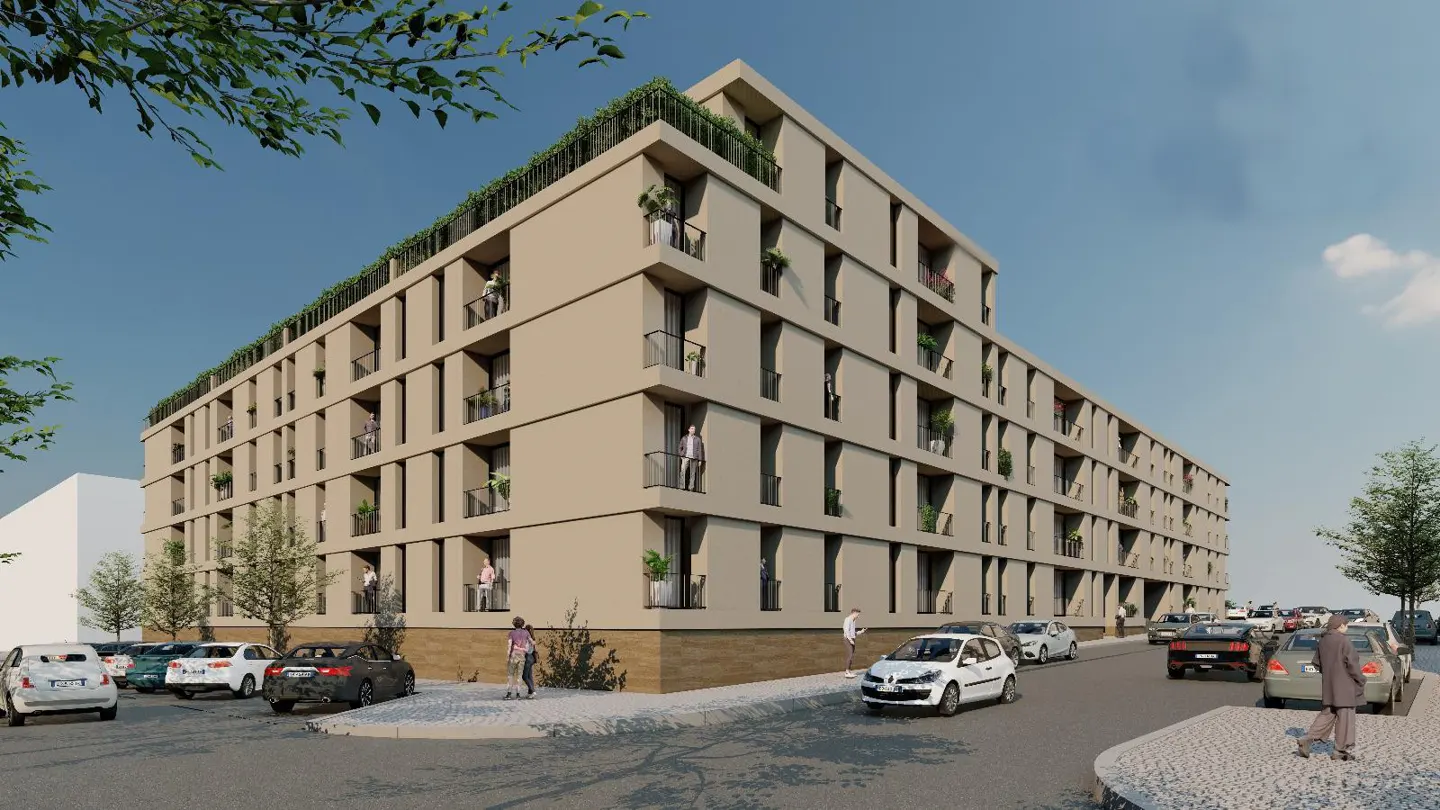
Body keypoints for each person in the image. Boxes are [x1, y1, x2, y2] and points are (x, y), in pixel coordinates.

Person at [1297, 614, 1365, 760]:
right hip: (1345, 686)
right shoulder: (1344, 640)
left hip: (1329, 685)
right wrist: (1361, 679)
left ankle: (1307, 739)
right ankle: (1340, 751)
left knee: (1327, 714)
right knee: (1345, 717)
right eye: (1346, 625)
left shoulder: (1323, 641)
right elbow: (1352, 664)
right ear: (1340, 625)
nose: (1346, 628)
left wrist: (1329, 674)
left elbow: (1316, 663)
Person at [504, 616, 533, 700]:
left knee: (510, 675)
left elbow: (509, 646)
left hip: (513, 655)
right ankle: (518, 694)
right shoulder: (526, 633)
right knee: (519, 676)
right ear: (522, 624)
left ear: (514, 624)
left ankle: (509, 694)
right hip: (522, 656)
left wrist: (507, 656)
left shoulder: (511, 633)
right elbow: (532, 642)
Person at [678, 425, 705, 491]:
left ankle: (691, 488)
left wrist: (700, 460)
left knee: (692, 473)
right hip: (685, 457)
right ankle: (682, 486)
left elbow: (699, 450)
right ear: (689, 430)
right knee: (682, 471)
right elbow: (679, 447)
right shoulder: (684, 438)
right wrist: (681, 455)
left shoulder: (697, 439)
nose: (693, 430)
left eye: (694, 429)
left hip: (694, 457)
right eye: (692, 429)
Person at [842, 607, 866, 678]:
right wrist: (850, 640)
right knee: (850, 655)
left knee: (851, 655)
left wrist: (861, 631)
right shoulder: (848, 620)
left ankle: (848, 671)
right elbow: (846, 631)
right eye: (858, 614)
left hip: (852, 639)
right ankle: (846, 672)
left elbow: (853, 633)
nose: (858, 616)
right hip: (848, 639)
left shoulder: (853, 621)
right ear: (854, 613)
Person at [522, 623, 538, 699]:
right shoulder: (533, 638)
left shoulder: (527, 640)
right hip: (532, 658)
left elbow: (526, 650)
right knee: (529, 676)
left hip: (527, 658)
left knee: (524, 676)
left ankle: (533, 691)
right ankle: (530, 692)